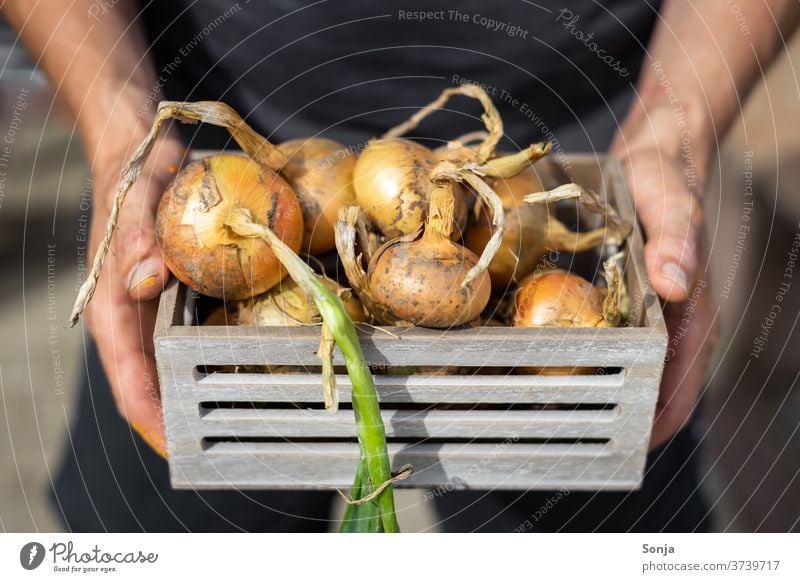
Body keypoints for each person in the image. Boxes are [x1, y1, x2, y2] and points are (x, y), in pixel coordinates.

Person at [4, 0, 798, 532]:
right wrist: (119, 125)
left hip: (575, 164)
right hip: (214, 152)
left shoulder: (498, 242)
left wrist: (672, 125)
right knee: (149, 525)